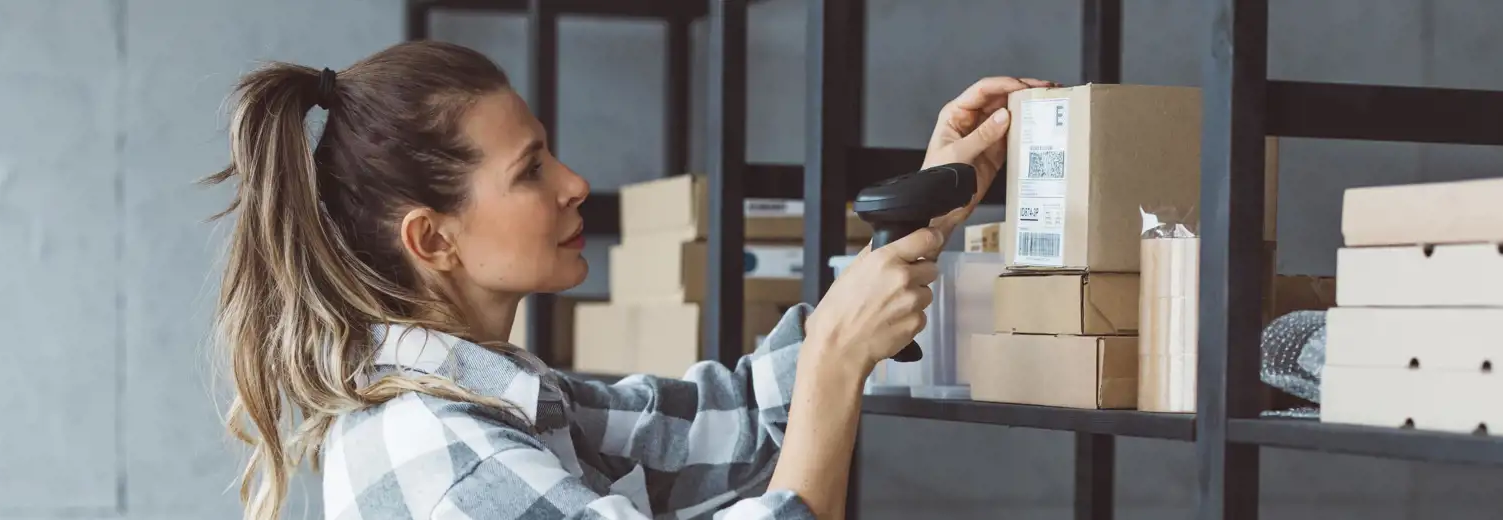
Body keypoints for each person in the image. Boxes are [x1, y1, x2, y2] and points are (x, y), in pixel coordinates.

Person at [206, 40, 1051, 520]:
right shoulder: (449, 458)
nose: (575, 184)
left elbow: (733, 424)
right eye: (531, 169)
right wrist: (833, 357)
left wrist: (931, 205)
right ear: (433, 240)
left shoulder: (496, 404)